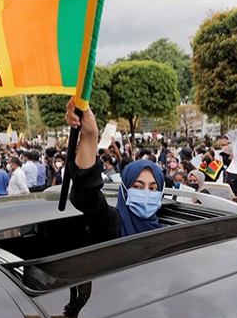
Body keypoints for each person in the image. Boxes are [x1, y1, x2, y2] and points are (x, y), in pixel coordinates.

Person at [66, 98, 164, 242]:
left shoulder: (167, 232)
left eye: (153, 188)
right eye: (138, 186)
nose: (146, 194)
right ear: (124, 189)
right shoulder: (112, 224)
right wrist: (90, 135)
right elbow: (86, 195)